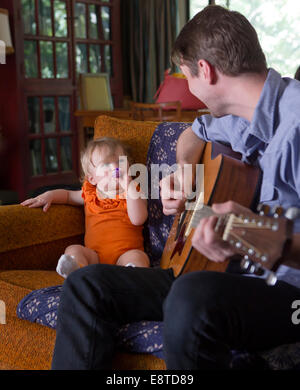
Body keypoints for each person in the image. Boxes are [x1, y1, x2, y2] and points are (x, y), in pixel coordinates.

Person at [51, 5, 300, 370]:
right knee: (86, 285)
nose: (192, 91)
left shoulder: (295, 122)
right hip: (221, 272)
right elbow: (191, 135)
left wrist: (253, 235)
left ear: (205, 70)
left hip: (288, 296)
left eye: (187, 78)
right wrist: (184, 173)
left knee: (191, 295)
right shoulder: (234, 118)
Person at [21, 137, 149, 278]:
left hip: (125, 255)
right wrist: (49, 195)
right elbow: (68, 196)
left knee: (139, 257)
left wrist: (129, 185)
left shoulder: (133, 192)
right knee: (73, 249)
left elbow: (138, 219)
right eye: (106, 165)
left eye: (120, 162)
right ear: (92, 178)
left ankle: (132, 275)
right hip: (95, 257)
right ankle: (76, 269)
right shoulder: (90, 194)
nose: (115, 168)